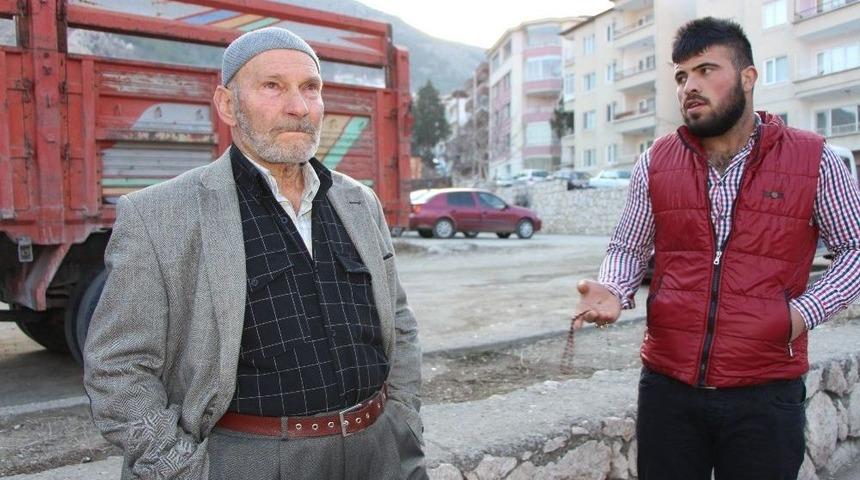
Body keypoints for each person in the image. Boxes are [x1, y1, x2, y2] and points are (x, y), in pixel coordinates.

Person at [84, 27, 425, 480]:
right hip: (250, 461)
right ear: (227, 104)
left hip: (380, 453)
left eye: (311, 88)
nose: (299, 107)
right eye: (273, 86)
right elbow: (117, 368)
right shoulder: (158, 215)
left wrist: (403, 422)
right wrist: (180, 468)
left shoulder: (359, 203)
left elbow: (398, 323)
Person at [574, 17, 860, 480]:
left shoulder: (814, 159)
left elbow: (855, 250)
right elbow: (629, 245)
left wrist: (800, 314)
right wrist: (614, 286)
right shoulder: (655, 161)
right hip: (668, 387)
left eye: (707, 70)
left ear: (748, 78)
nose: (690, 85)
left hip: (765, 390)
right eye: (682, 76)